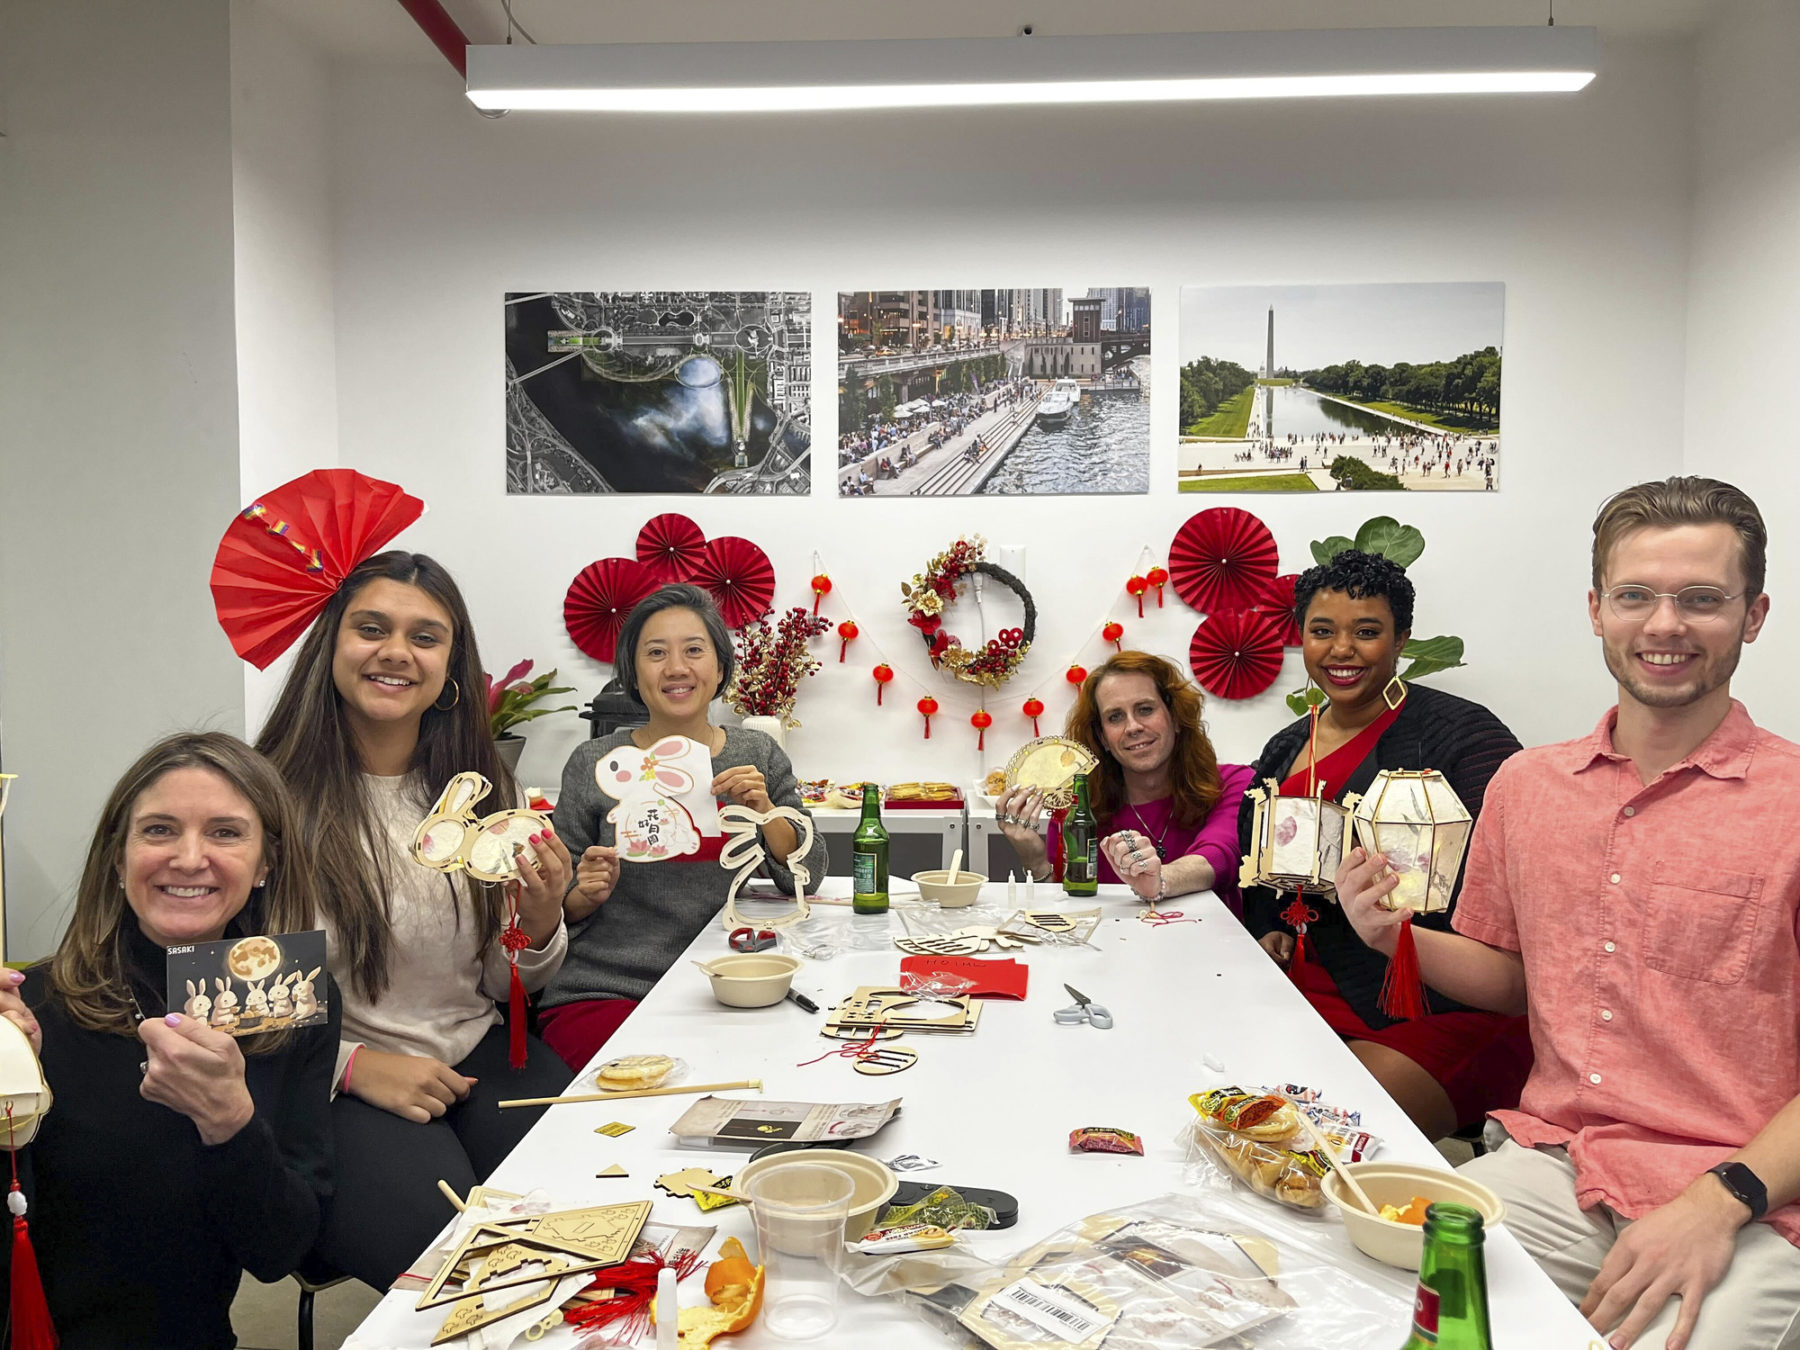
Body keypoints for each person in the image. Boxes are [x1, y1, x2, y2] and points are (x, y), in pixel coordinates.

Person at [1337, 478, 1799, 1350]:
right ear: (1597, 609)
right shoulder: (1529, 787)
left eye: (1701, 599)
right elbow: (1514, 979)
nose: (1665, 625)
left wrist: (1719, 1200)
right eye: (1636, 596)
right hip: (1562, 1164)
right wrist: (1394, 934)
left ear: (1754, 613)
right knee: (1376, 1306)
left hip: (1754, 1193)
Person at [256, 549, 574, 1290]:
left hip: (476, 1050)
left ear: (451, 666)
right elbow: (224, 995)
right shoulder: (264, 796)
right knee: (459, 1264)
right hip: (328, 1078)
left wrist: (543, 914)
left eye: (425, 637)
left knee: (585, 1200)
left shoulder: (481, 786)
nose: (396, 652)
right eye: (372, 628)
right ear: (330, 645)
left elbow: (500, 981)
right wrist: (351, 1065)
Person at [0, 733, 335, 1349]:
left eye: (226, 832)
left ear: (267, 863)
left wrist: (231, 1124)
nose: (188, 858)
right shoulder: (31, 1009)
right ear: (117, 856)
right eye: (158, 829)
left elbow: (281, 1250)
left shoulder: (291, 1001)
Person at [1238, 550, 1529, 1140]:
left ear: (1401, 641)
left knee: (1318, 1142)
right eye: (1322, 631)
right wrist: (1271, 925)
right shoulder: (1287, 744)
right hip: (1304, 988)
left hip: (1431, 1001)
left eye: (1366, 632)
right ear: (1302, 638)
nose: (1341, 650)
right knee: (1228, 1118)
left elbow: (1513, 886)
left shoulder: (1464, 737)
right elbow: (1260, 864)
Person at [542, 584, 827, 1071]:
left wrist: (766, 814)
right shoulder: (596, 761)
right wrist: (583, 893)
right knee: (640, 1099)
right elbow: (555, 903)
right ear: (634, 673)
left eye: (694, 650)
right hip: (607, 986)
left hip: (730, 978)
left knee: (771, 1075)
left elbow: (808, 872)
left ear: (719, 668)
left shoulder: (754, 754)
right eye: (656, 653)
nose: (676, 668)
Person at [996, 651, 1253, 911]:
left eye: (1145, 709)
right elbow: (1066, 908)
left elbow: (1219, 856)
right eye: (1115, 717)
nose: (1132, 727)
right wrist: (1035, 860)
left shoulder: (1235, 784)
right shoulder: (1079, 807)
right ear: (1103, 737)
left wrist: (1159, 880)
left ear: (1175, 718)